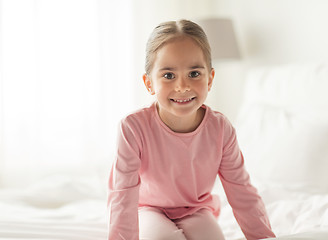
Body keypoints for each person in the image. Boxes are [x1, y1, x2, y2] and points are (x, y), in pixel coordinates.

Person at [107, 19, 276, 240]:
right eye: (168, 76)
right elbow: (123, 194)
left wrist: (264, 237)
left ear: (210, 78)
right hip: (148, 209)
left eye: (194, 74)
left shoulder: (220, 128)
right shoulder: (132, 127)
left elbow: (242, 191)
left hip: (196, 210)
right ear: (149, 83)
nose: (182, 86)